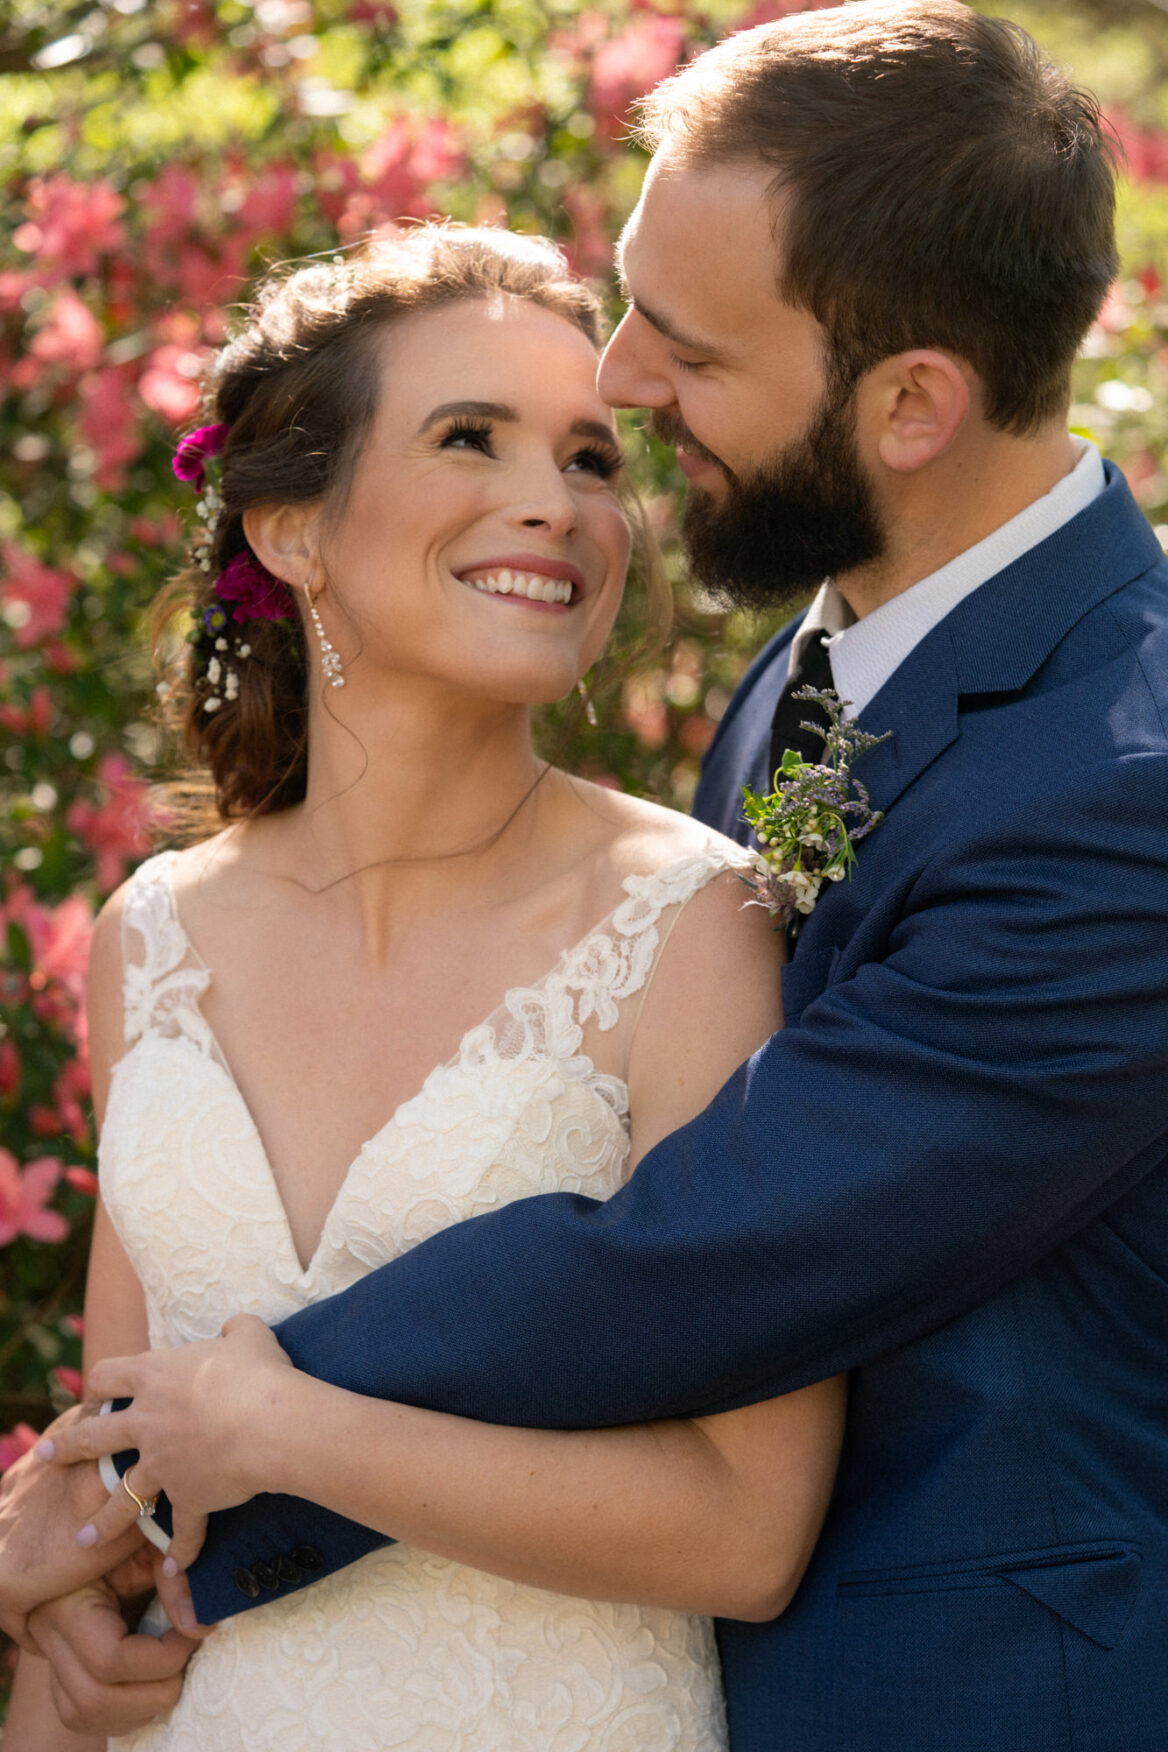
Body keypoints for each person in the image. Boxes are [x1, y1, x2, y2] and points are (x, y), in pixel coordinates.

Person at [6, 1, 1168, 1746]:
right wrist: (107, 1545)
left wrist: (209, 1449)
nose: (619, 376)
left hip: (973, 1693)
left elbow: (704, 1256)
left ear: (911, 403)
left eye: (684, 355)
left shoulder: (1125, 787)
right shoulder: (806, 674)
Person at [1, 224, 848, 1749]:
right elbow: (129, 1459)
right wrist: (56, 1593)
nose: (560, 502)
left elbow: (745, 1527)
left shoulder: (690, 924)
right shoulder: (152, 939)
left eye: (594, 458)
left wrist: (293, 1432)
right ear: (291, 529)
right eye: (473, 437)